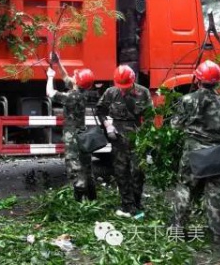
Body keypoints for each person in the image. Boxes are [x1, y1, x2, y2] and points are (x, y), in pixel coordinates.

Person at [171, 60, 220, 244]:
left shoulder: (188, 100)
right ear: (218, 82)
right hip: (217, 152)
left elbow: (175, 125)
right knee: (217, 191)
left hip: (193, 151)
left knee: (185, 187)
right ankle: (219, 235)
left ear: (198, 80)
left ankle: (178, 229)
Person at [96, 65, 152, 217]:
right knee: (121, 172)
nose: (123, 89)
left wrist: (145, 137)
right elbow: (99, 110)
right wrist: (107, 125)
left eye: (125, 86)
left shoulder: (143, 92)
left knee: (138, 172)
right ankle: (127, 204)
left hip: (136, 136)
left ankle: (137, 202)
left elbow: (149, 116)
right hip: (118, 138)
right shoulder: (111, 92)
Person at [46, 53, 97, 201]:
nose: (72, 78)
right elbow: (67, 79)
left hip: (72, 136)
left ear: (77, 82)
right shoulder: (83, 92)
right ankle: (92, 199)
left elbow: (50, 93)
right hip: (82, 134)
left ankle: (78, 202)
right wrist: (58, 63)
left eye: (76, 77)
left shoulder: (71, 97)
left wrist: (50, 76)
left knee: (74, 166)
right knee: (87, 167)